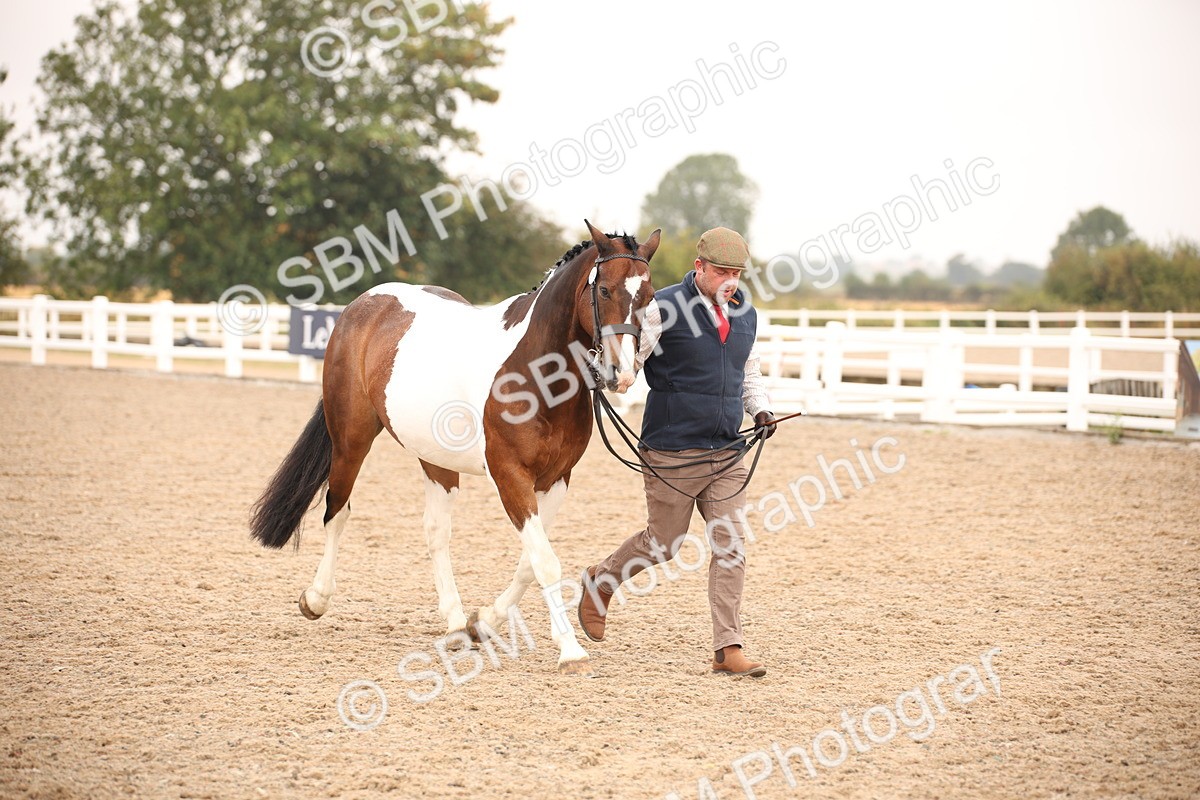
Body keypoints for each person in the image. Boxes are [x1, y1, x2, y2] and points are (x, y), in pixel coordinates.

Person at [578, 226, 777, 677]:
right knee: (664, 543)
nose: (731, 281)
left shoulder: (745, 314)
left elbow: (750, 373)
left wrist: (761, 410)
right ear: (699, 268)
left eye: (737, 273)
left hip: (727, 449)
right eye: (722, 271)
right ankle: (601, 580)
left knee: (731, 547)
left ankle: (728, 649)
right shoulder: (661, 307)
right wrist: (611, 376)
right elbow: (629, 362)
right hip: (672, 449)